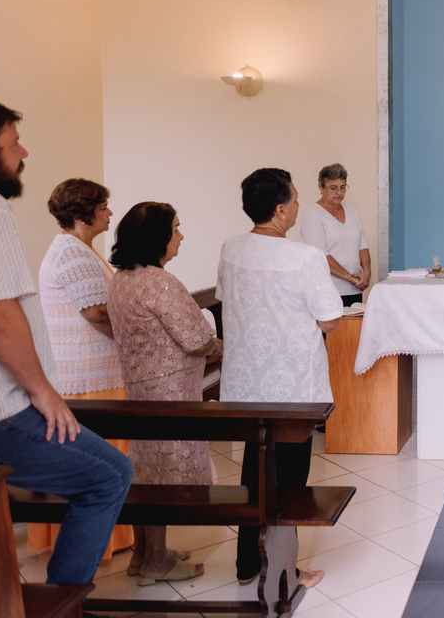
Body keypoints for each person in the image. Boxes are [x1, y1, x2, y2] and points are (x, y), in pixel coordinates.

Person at [0, 95, 132, 586]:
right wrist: (42, 390)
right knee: (109, 474)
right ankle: (62, 602)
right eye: (13, 143)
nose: (24, 153)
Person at [217, 168, 341, 589]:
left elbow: (224, 301)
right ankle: (285, 570)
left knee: (254, 470)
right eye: (296, 199)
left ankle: (247, 563)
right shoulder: (303, 257)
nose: (299, 206)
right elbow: (329, 320)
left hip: (244, 384)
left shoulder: (231, 248)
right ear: (280, 209)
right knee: (289, 480)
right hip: (291, 386)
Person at [109, 201, 219, 585]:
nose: (181, 236)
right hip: (170, 393)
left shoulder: (122, 278)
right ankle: (156, 559)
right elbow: (195, 338)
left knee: (147, 470)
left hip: (142, 388)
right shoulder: (158, 282)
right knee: (166, 475)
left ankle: (143, 553)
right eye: (175, 229)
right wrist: (216, 344)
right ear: (157, 237)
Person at [29, 178, 135, 560]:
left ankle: (115, 537)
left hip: (94, 370)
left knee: (109, 456)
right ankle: (98, 541)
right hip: (85, 375)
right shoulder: (71, 252)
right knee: (99, 460)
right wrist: (137, 332)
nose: (109, 213)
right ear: (80, 213)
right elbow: (96, 312)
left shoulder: (79, 248)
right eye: (103, 207)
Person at [299, 163, 370, 306]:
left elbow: (362, 245)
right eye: (333, 188)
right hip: (329, 290)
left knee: (353, 328)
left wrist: (367, 272)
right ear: (321, 187)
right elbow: (321, 257)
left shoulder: (351, 211)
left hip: (355, 290)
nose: (339, 192)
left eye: (343, 187)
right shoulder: (313, 215)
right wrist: (352, 279)